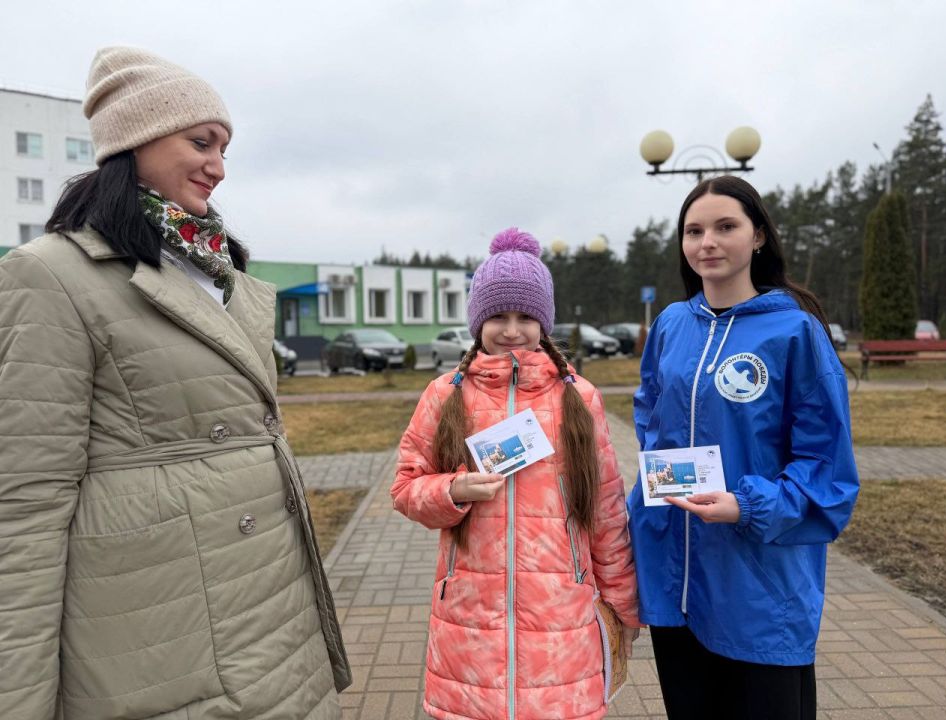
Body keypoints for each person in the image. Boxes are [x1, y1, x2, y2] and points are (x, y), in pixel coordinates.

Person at [0, 47, 349, 719]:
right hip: (166, 649)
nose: (219, 166)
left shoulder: (218, 272)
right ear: (136, 139)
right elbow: (24, 507)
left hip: (274, 621)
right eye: (202, 141)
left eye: (224, 146)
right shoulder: (49, 275)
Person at [628, 175, 859, 720]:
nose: (707, 241)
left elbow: (828, 474)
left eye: (725, 227)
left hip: (760, 585)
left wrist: (748, 505)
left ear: (757, 236)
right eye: (694, 230)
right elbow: (651, 416)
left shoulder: (794, 332)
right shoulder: (670, 325)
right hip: (676, 581)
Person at [391, 229, 643, 720]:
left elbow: (607, 511)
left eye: (526, 316)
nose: (512, 330)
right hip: (468, 619)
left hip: (561, 620)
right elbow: (405, 487)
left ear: (544, 322)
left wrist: (622, 605)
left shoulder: (579, 399)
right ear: (477, 321)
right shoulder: (446, 396)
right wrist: (452, 490)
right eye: (498, 316)